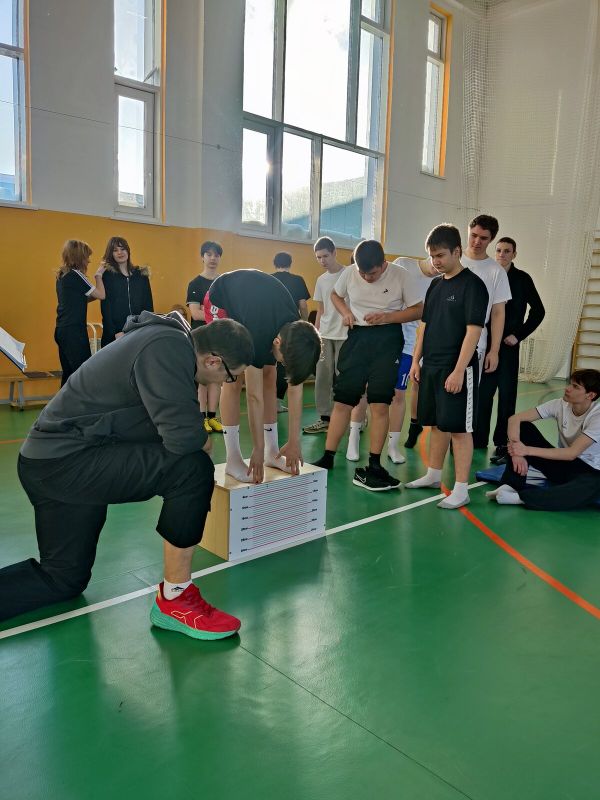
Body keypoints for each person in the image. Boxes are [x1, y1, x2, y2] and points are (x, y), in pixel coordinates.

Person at [0, 312, 255, 639]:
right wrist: (201, 441)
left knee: (63, 579)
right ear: (212, 361)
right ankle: (176, 598)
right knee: (191, 469)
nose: (224, 384)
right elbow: (184, 440)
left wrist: (193, 435)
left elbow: (168, 428)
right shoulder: (167, 347)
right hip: (65, 463)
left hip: (53, 463)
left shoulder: (165, 342)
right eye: (230, 377)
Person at [312, 240, 424, 491]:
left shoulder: (401, 276)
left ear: (383, 264)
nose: (366, 277)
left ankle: (375, 463)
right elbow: (335, 295)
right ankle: (328, 456)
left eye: (371, 273)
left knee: (379, 403)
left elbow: (418, 310)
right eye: (362, 273)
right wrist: (345, 312)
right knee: (343, 400)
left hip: (387, 339)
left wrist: (388, 317)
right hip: (357, 338)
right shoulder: (350, 273)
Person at [204, 269, 322, 484]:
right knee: (232, 378)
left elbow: (295, 388)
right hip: (220, 300)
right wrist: (256, 448)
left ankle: (272, 452)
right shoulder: (257, 336)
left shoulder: (296, 330)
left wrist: (294, 441)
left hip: (254, 304)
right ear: (277, 342)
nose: (284, 365)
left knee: (270, 374)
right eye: (284, 361)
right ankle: (233, 459)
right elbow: (253, 397)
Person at [406, 224, 488, 509]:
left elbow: (473, 331)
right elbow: (424, 326)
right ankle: (433, 474)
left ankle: (462, 489)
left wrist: (458, 371)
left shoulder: (473, 285)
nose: (435, 261)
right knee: (436, 424)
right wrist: (416, 361)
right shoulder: (435, 285)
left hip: (457, 368)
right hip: (431, 365)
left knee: (458, 429)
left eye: (440, 255)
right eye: (432, 256)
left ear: (457, 251)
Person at [474, 237, 546, 461]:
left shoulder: (523, 279)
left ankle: (502, 443)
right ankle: (477, 439)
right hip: (486, 345)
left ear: (514, 254)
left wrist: (519, 335)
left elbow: (539, 311)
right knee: (483, 395)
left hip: (508, 347)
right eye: (498, 250)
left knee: (507, 397)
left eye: (507, 251)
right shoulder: (488, 275)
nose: (502, 254)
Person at [487, 369, 600, 510]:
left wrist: (526, 450)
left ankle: (520, 498)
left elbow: (571, 453)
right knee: (524, 428)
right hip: (562, 466)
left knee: (589, 487)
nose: (567, 388)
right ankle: (510, 485)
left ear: (590, 395)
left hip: (590, 471)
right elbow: (515, 419)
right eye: (570, 384)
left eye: (575, 387)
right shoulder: (559, 404)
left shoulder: (597, 416)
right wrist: (517, 451)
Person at [386, 256, 438, 464]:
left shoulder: (439, 281)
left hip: (416, 342)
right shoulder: (403, 265)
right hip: (391, 340)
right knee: (385, 393)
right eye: (436, 257)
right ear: (429, 252)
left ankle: (412, 427)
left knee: (413, 387)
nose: (438, 266)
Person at [303, 237, 347, 435]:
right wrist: (316, 333)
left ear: (334, 252)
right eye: (318, 257)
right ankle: (325, 418)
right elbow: (320, 310)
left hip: (346, 334)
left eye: (325, 256)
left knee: (345, 377)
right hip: (325, 335)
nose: (322, 261)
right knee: (322, 376)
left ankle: (355, 418)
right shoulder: (321, 280)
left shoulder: (349, 274)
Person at [461, 215, 511, 386]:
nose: (477, 241)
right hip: (443, 339)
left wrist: (494, 350)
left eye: (483, 238)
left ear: (491, 239)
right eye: (473, 235)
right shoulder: (452, 260)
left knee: (466, 395)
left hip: (476, 343)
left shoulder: (497, 272)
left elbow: (498, 313)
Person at [54, 239, 106, 386]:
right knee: (83, 373)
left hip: (62, 330)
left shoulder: (62, 275)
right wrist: (98, 275)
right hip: (74, 331)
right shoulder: (77, 275)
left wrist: (94, 295)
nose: (89, 261)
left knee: (69, 374)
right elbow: (101, 295)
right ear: (79, 257)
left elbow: (78, 300)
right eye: (87, 257)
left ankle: (63, 401)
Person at [186, 240, 225, 433]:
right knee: (202, 378)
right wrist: (215, 314)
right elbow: (195, 314)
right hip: (201, 337)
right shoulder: (195, 284)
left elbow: (227, 311)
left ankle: (212, 416)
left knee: (216, 378)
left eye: (216, 255)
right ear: (202, 257)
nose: (212, 258)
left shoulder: (224, 283)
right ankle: (202, 418)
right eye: (209, 254)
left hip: (219, 337)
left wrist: (207, 311)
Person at [271, 251, 311, 412]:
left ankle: (266, 400)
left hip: (270, 324)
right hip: (290, 327)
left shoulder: (269, 279)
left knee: (269, 362)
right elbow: (303, 305)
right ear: (290, 263)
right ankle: (276, 402)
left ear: (275, 264)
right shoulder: (297, 280)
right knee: (285, 363)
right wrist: (305, 323)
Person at [100, 237, 153, 347]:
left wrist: (146, 328)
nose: (120, 252)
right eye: (115, 250)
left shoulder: (141, 275)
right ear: (111, 254)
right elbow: (106, 307)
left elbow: (148, 305)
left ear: (128, 250)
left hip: (139, 332)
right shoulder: (108, 276)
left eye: (122, 249)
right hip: (116, 335)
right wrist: (116, 332)